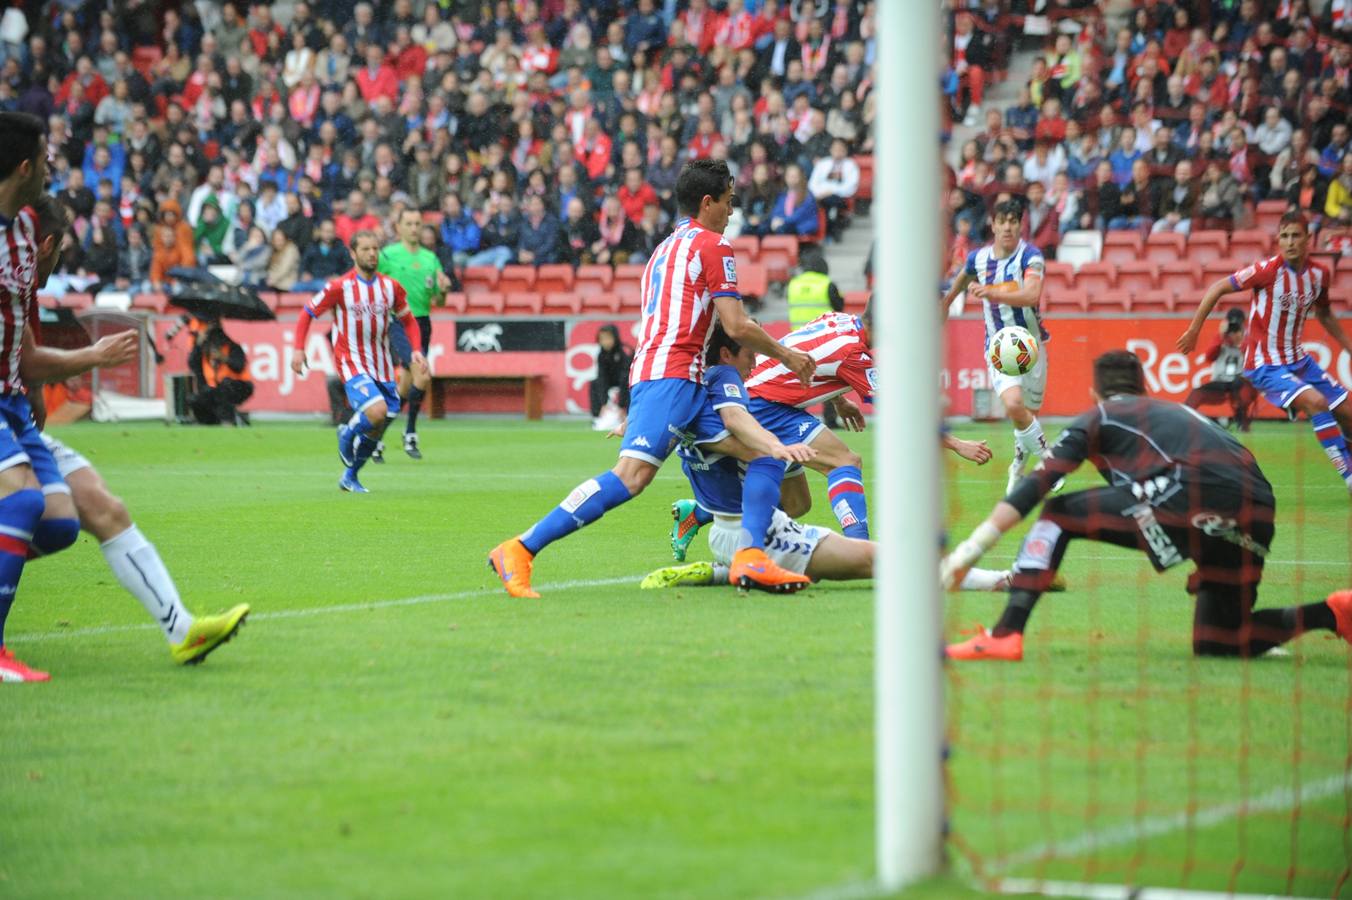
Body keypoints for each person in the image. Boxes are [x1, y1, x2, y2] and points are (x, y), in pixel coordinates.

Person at [487, 159, 818, 598]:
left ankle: (751, 556)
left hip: (679, 378)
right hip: (675, 375)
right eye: (729, 201)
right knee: (631, 477)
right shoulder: (713, 246)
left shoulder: (663, 249)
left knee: (765, 452)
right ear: (707, 202)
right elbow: (736, 327)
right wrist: (788, 356)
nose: (732, 211)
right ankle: (520, 548)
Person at [942, 350, 1352, 662]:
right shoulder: (1184, 414)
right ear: (1145, 389)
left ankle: (1003, 635)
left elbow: (1037, 484)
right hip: (1258, 509)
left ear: (1095, 394)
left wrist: (969, 550)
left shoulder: (1099, 416)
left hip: (1189, 493)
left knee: (1057, 513)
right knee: (1220, 640)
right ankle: (1333, 613)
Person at [645, 324, 1045, 593]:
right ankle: (857, 541)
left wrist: (836, 395)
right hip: (769, 406)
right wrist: (957, 444)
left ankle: (705, 519)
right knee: (844, 462)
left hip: (771, 401)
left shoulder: (838, 322)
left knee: (798, 503)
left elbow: (809, 358)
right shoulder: (857, 353)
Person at [24, 195, 248, 666]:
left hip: (19, 426)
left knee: (104, 508)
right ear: (46, 245)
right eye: (61, 248)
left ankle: (182, 630)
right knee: (44, 518)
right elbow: (24, 361)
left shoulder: (22, 284)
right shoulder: (11, 277)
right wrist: (92, 356)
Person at [0, 114, 125, 682]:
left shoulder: (22, 237)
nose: (52, 168)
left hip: (10, 399)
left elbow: (21, 337)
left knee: (55, 524)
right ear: (25, 168)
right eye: (46, 160)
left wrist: (29, 383)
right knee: (23, 504)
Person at [1176, 213, 1352, 494]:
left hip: (1298, 360)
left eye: (1296, 235)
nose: (1290, 242)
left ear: (1309, 238)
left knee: (1347, 413)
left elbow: (1326, 313)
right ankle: (1349, 476)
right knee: (1317, 402)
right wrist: (1194, 330)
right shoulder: (1267, 270)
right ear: (1278, 240)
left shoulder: (1320, 275)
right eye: (1284, 236)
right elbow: (1218, 287)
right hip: (1263, 362)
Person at [290, 230, 429, 493]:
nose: (372, 254)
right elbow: (307, 312)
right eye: (365, 249)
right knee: (375, 411)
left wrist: (417, 350)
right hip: (351, 360)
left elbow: (409, 320)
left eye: (375, 248)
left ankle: (350, 477)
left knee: (378, 425)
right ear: (353, 254)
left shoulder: (391, 287)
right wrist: (298, 349)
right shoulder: (339, 287)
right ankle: (346, 431)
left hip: (382, 363)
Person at [940, 198, 1056, 495]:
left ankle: (1017, 466)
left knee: (1027, 414)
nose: (1007, 227)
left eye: (1013, 221)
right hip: (1000, 346)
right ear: (993, 224)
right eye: (1002, 221)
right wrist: (947, 302)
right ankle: (1049, 462)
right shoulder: (978, 259)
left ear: (1020, 226)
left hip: (1031, 345)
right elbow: (963, 277)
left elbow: (1031, 295)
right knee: (1014, 405)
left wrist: (990, 291)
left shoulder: (1031, 257)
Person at [378, 208, 447, 460]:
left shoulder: (431, 259)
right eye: (409, 223)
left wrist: (443, 289)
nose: (414, 228)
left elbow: (438, 300)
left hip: (423, 323)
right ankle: (410, 433)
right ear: (398, 227)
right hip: (398, 322)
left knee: (406, 388)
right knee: (423, 374)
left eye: (418, 223)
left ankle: (375, 436)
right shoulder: (387, 256)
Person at [1184, 308, 1258, 432]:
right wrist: (1221, 337)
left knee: (1240, 386)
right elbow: (1209, 357)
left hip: (1241, 380)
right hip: (1221, 381)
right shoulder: (1220, 338)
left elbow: (1254, 361)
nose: (1233, 330)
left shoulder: (1248, 338)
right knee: (1197, 393)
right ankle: (1183, 418)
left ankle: (1242, 423)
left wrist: (1241, 343)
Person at [188, 324, 254, 425]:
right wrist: (197, 345)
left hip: (240, 386)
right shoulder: (204, 352)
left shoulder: (233, 348)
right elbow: (192, 364)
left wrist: (224, 359)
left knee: (224, 387)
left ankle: (228, 422)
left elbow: (239, 366)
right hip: (216, 388)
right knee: (195, 399)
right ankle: (209, 423)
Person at [589, 324, 631, 426]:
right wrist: (603, 403)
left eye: (608, 338)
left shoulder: (625, 351)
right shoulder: (601, 355)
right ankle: (598, 416)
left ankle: (628, 415)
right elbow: (602, 376)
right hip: (611, 381)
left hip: (627, 380)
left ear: (615, 338)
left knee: (629, 385)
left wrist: (622, 405)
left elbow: (625, 377)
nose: (605, 342)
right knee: (595, 383)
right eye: (602, 339)